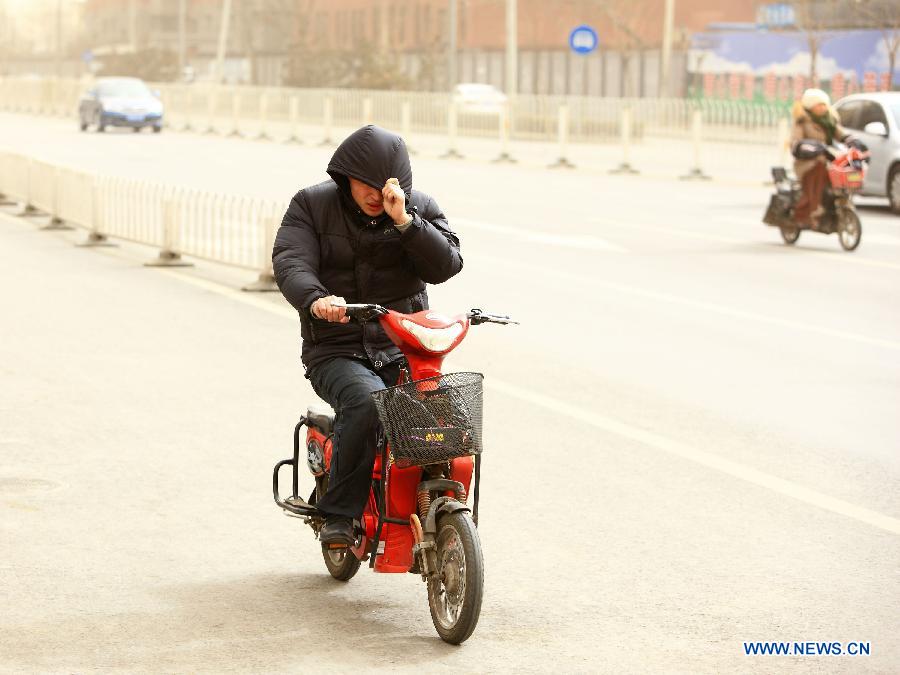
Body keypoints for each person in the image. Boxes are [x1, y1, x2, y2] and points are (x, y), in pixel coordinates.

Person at [272, 125, 463, 545]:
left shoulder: (417, 209)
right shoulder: (311, 204)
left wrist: (405, 223)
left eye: (386, 186)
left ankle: (444, 513)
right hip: (336, 347)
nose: (376, 194)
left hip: (403, 345)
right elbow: (290, 261)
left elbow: (446, 265)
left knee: (447, 419)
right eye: (366, 184)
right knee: (366, 402)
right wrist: (317, 299)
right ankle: (339, 513)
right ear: (346, 176)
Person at [790, 88, 851, 228]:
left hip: (826, 159)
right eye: (819, 105)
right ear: (811, 106)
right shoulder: (802, 120)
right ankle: (811, 210)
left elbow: (840, 133)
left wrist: (851, 140)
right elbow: (796, 142)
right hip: (806, 163)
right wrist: (807, 147)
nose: (823, 107)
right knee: (819, 171)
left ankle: (838, 204)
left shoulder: (829, 120)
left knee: (841, 171)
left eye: (824, 104)